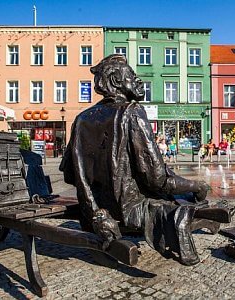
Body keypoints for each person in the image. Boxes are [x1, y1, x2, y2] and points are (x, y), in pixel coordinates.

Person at [60, 54, 215, 265]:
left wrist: (96, 207)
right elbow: (158, 179)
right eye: (132, 76)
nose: (138, 81)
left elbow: (70, 175)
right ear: (116, 81)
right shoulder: (132, 112)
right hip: (129, 210)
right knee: (185, 198)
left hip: (98, 210)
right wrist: (197, 185)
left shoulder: (82, 119)